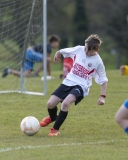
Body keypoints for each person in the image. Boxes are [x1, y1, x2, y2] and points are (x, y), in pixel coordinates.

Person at [40, 34, 108, 136]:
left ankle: (55, 129)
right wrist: (58, 53)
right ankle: (53, 118)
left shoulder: (98, 62)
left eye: (88, 50)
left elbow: (104, 80)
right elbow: (65, 51)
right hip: (68, 81)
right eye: (85, 48)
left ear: (96, 50)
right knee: (50, 104)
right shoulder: (79, 49)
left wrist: (102, 97)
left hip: (81, 86)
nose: (85, 51)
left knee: (66, 103)